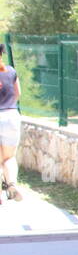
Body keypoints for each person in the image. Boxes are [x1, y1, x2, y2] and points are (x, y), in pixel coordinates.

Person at [0, 44, 22, 202]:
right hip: (11, 116)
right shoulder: (11, 71)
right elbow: (17, 94)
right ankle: (11, 184)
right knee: (8, 157)